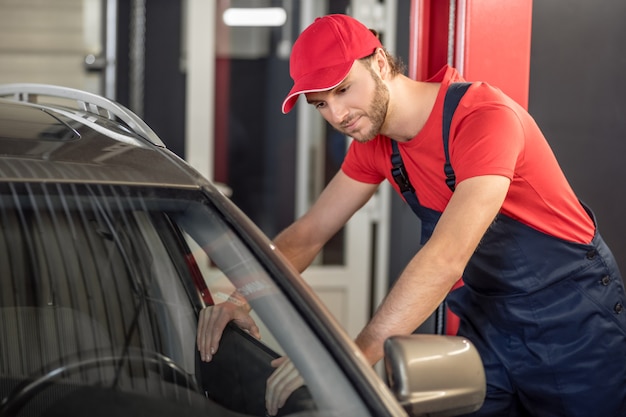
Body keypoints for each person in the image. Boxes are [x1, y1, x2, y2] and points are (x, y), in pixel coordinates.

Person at [197, 13, 626, 417]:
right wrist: (239, 300)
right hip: (491, 328)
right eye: (320, 104)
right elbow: (308, 234)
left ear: (380, 62)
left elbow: (446, 257)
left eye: (343, 89)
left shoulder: (483, 119)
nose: (338, 115)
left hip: (574, 322)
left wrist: (358, 354)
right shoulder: (377, 147)